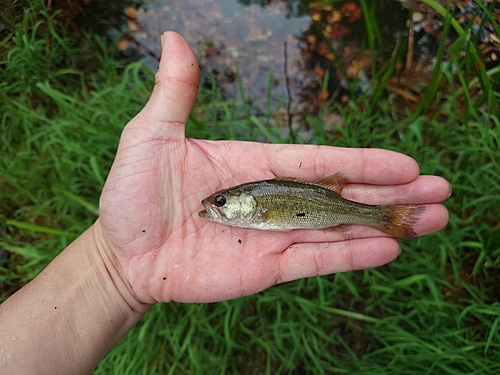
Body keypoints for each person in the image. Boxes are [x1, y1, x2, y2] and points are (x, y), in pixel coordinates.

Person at [0, 32, 450, 374]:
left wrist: (112, 272)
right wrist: (113, 267)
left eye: (221, 201)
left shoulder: (260, 204)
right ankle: (384, 220)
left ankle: (385, 219)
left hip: (322, 205)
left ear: (243, 204)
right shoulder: (251, 207)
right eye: (221, 201)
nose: (213, 206)